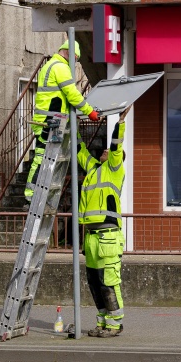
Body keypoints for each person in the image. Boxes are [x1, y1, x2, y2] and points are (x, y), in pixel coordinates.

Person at [26, 40, 101, 202]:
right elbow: (72, 94)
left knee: (77, 146)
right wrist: (90, 112)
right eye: (76, 58)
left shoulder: (50, 65)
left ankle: (96, 170)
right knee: (42, 157)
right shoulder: (60, 68)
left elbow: (63, 96)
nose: (75, 62)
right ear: (70, 53)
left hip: (54, 121)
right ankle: (31, 194)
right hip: (51, 122)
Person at [80, 105, 130, 338]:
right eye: (104, 151)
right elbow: (81, 153)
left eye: (108, 152)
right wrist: (70, 129)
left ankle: (115, 324)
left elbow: (116, 145)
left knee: (108, 282)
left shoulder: (114, 169)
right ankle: (102, 322)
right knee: (95, 283)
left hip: (107, 236)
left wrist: (119, 123)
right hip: (91, 237)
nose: (105, 152)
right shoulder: (94, 170)